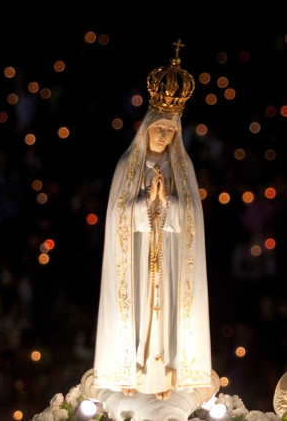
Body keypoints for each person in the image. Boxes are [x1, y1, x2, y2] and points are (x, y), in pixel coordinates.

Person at [92, 42, 212, 400]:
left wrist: (169, 203)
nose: (164, 135)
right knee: (140, 311)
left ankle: (164, 374)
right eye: (160, 128)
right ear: (146, 128)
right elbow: (117, 216)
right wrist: (147, 201)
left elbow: (191, 218)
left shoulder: (180, 170)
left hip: (169, 258)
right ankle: (129, 368)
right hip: (136, 259)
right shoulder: (126, 169)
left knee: (165, 313)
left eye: (171, 131)